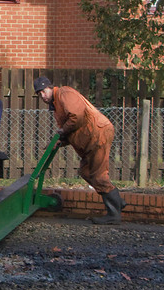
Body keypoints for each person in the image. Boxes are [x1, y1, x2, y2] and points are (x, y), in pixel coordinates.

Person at [34, 76, 126, 224]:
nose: (43, 96)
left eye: (44, 91)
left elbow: (76, 116)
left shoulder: (64, 94)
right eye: (40, 94)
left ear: (51, 88)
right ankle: (118, 203)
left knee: (99, 175)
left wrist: (61, 133)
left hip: (97, 134)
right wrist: (60, 140)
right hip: (90, 139)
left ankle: (114, 214)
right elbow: (72, 128)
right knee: (86, 172)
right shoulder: (57, 104)